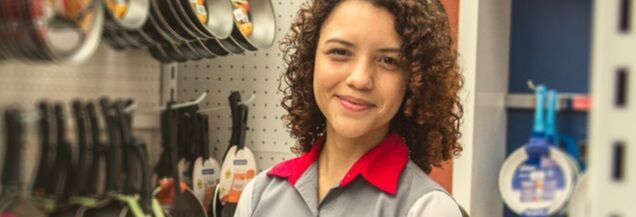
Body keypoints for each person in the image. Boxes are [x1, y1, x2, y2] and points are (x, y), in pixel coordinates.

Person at [234, 0, 464, 216]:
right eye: (340, 52)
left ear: (414, 80)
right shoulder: (258, 195)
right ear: (311, 60)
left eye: (389, 61)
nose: (360, 79)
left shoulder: (427, 208)